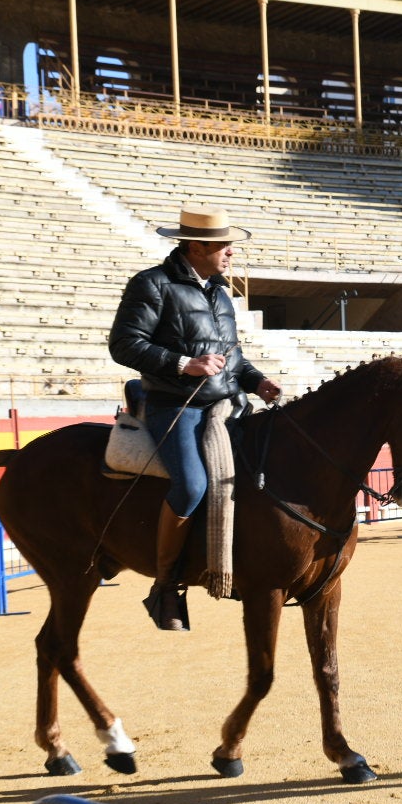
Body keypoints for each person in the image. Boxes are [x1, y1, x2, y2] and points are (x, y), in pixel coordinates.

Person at [109, 206, 282, 630]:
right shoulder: (152, 284)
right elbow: (124, 345)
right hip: (174, 405)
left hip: (226, 405)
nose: (230, 253)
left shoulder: (221, 293)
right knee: (191, 487)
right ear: (196, 246)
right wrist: (183, 363)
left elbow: (233, 358)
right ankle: (166, 586)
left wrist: (258, 382)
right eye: (223, 245)